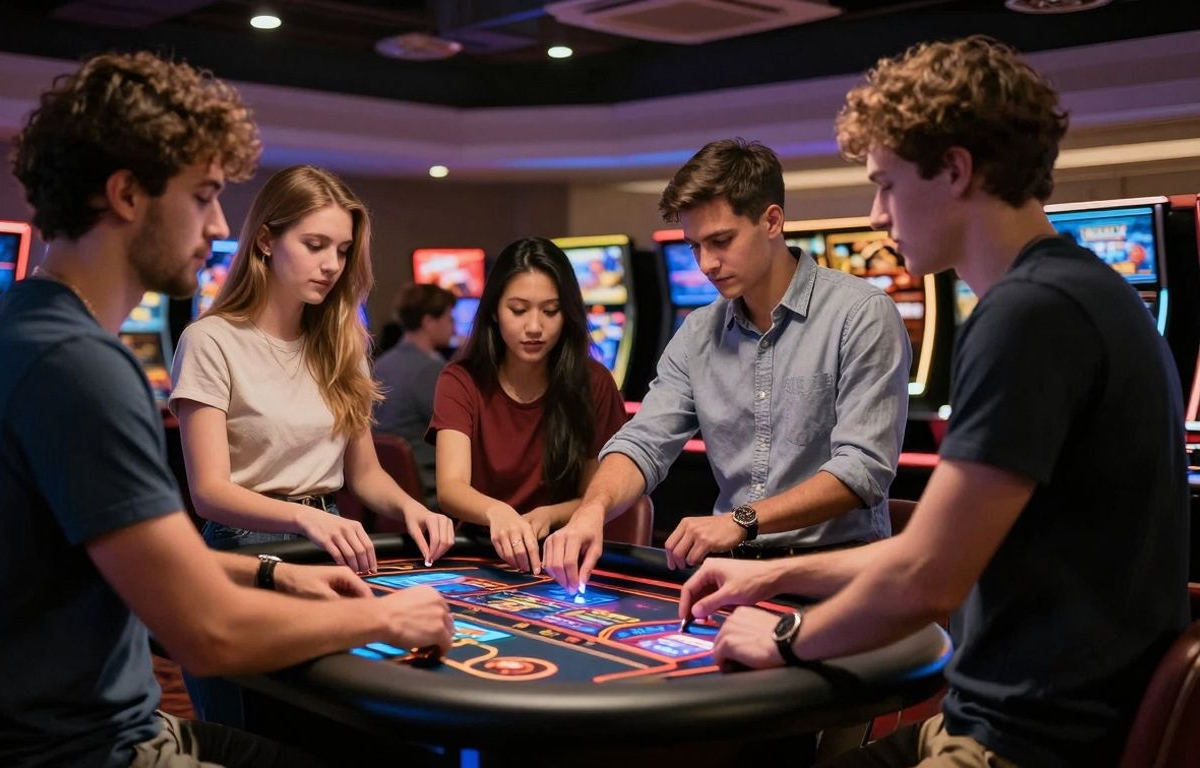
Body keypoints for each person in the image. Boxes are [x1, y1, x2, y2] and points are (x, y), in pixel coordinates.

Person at [0, 52, 454, 768]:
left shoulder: (6, 331)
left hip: (101, 728)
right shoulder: (76, 366)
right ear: (128, 194)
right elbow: (207, 634)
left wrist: (275, 574)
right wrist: (385, 615)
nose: (218, 222)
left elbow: (148, 565)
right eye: (203, 195)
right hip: (78, 753)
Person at [679, 37, 1189, 768]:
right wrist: (771, 574)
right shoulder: (1086, 290)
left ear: (955, 170)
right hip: (1018, 719)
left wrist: (785, 636)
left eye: (886, 184)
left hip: (1029, 743)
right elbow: (935, 550)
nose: (877, 214)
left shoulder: (1027, 316)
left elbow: (926, 582)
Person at [544, 138, 911, 591]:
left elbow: (863, 470)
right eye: (695, 246)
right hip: (729, 573)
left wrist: (743, 519)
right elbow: (643, 442)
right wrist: (592, 509)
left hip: (836, 579)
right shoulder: (698, 332)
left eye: (721, 241)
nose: (706, 264)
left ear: (772, 220)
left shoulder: (861, 314)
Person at [171, 165, 454, 573]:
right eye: (315, 245)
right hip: (245, 545)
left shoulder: (343, 344)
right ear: (266, 240)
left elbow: (366, 474)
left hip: (331, 534)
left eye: (342, 250)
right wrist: (304, 517)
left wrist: (413, 509)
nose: (332, 265)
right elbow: (209, 493)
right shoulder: (210, 340)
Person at [429, 237, 626, 573]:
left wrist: (552, 515)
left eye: (550, 311)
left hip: (562, 557)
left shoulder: (594, 382)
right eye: (518, 310)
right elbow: (451, 488)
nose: (534, 327)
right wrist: (498, 512)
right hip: (479, 553)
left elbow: (597, 497)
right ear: (494, 310)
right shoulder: (461, 379)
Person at [373, 283, 457, 508]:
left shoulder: (380, 365)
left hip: (384, 492)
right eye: (450, 319)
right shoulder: (431, 370)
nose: (455, 328)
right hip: (428, 489)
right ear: (429, 322)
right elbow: (461, 431)